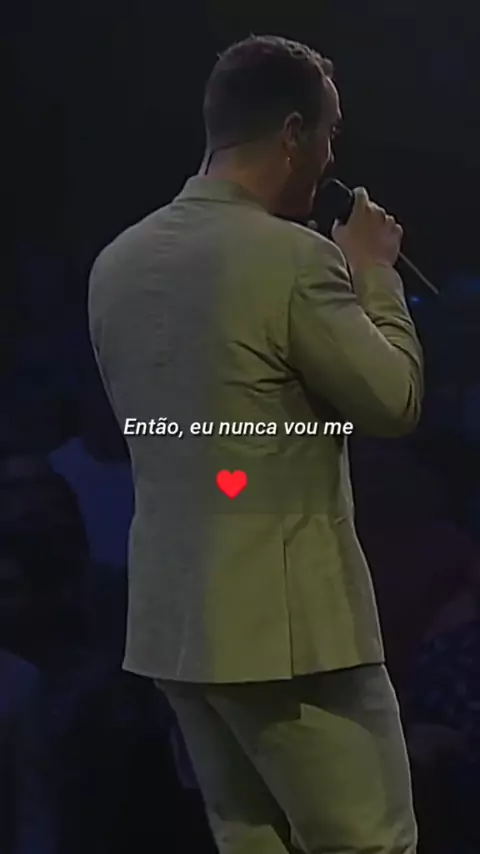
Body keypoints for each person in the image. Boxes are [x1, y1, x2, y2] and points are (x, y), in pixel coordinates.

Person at [88, 34, 423, 854]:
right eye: (330, 134)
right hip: (294, 634)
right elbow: (395, 402)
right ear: (293, 134)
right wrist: (374, 273)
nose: (331, 157)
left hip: (176, 625)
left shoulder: (116, 263)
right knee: (370, 845)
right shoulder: (293, 259)